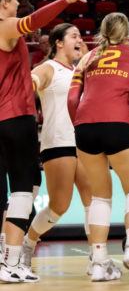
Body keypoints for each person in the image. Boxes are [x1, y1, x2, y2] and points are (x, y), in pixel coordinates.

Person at [0, 0, 93, 283]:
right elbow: (33, 21)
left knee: (13, 194)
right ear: (4, 3)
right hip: (16, 117)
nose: (18, 4)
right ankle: (10, 261)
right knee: (23, 191)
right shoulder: (5, 26)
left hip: (7, 118)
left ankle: (9, 260)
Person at [67, 12, 129, 281]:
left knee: (100, 196)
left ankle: (98, 263)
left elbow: (73, 98)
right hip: (118, 125)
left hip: (85, 127)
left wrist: (79, 127)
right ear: (127, 32)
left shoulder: (87, 57)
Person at [21, 23, 93, 275]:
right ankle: (27, 245)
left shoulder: (80, 70)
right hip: (57, 141)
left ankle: (97, 257)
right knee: (59, 206)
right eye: (74, 35)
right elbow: (29, 84)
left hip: (84, 142)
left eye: (80, 35)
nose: (79, 39)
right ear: (58, 43)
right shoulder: (47, 67)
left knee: (92, 199)